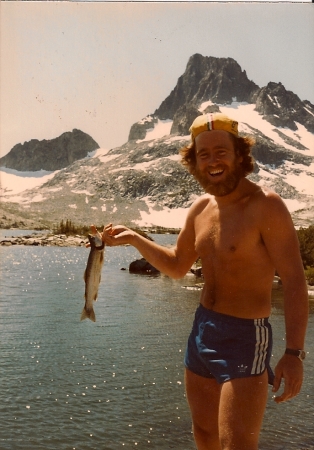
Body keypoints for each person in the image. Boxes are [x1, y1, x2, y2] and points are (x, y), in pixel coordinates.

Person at [99, 113, 308, 450]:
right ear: (194, 162)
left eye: (221, 151)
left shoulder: (265, 206)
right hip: (202, 330)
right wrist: (136, 239)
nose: (213, 161)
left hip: (245, 336)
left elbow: (296, 282)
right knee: (205, 436)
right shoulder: (199, 209)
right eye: (204, 154)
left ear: (240, 154)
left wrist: (294, 353)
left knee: (236, 444)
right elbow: (178, 266)